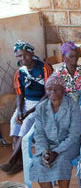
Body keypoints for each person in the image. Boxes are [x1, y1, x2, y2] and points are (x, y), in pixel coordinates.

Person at [29, 75, 81, 188]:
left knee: (62, 161)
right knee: (39, 162)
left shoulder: (72, 106)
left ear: (63, 90)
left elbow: (74, 134)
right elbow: (39, 133)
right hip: (48, 146)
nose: (52, 92)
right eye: (49, 89)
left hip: (68, 145)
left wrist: (57, 151)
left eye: (56, 89)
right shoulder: (41, 107)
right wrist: (44, 151)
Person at [1, 42, 53, 174]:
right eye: (19, 56)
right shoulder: (20, 71)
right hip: (26, 103)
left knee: (27, 122)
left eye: (25, 55)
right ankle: (19, 160)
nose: (22, 58)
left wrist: (28, 112)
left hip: (43, 102)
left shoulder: (44, 67)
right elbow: (20, 94)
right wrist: (20, 111)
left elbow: (48, 93)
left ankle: (13, 160)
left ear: (32, 53)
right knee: (15, 121)